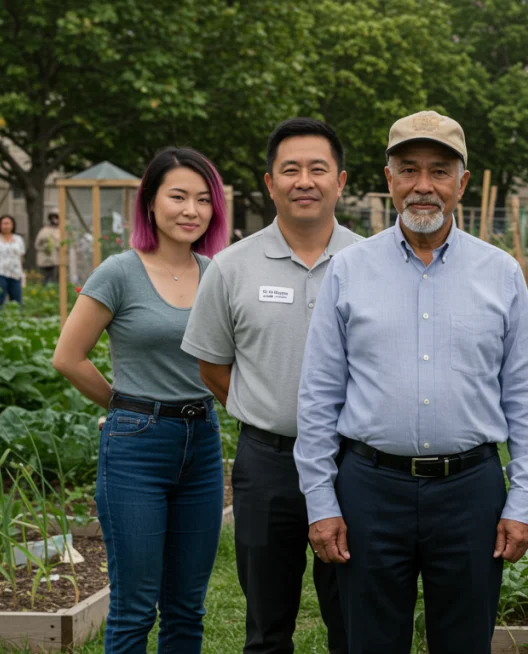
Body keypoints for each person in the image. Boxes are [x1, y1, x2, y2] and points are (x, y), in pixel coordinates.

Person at [295, 110, 528, 653]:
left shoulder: (500, 272)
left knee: (464, 642)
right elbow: (319, 395)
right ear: (389, 180)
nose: (424, 186)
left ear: (462, 181)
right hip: (369, 488)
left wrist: (521, 500)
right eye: (409, 170)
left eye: (439, 171)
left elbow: (526, 398)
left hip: (471, 491)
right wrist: (321, 501)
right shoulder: (349, 269)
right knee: (370, 641)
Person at [182, 118, 359, 654]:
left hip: (354, 462)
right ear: (269, 182)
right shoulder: (230, 267)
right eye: (291, 169)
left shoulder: (372, 262)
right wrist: (266, 407)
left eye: (317, 169)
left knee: (352, 616)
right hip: (268, 463)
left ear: (341, 181)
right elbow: (213, 366)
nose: (304, 180)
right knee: (266, 622)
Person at [51, 147, 230, 653]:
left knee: (186, 607)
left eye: (203, 199)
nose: (191, 210)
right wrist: (122, 406)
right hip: (137, 447)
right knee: (133, 606)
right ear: (150, 202)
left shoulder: (216, 273)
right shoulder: (119, 272)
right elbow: (68, 357)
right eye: (177, 196)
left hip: (203, 444)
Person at [0, 215, 26, 306]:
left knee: (17, 301)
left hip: (15, 273)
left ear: (12, 225)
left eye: (8, 223)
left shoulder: (18, 239)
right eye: (3, 223)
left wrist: (22, 272)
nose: (5, 226)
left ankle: (17, 318)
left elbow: (21, 256)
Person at [35, 212, 61, 285]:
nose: (54, 220)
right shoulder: (44, 230)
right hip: (45, 259)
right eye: (52, 218)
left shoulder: (61, 230)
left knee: (56, 278)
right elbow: (37, 244)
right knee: (45, 277)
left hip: (57, 260)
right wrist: (45, 246)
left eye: (56, 217)